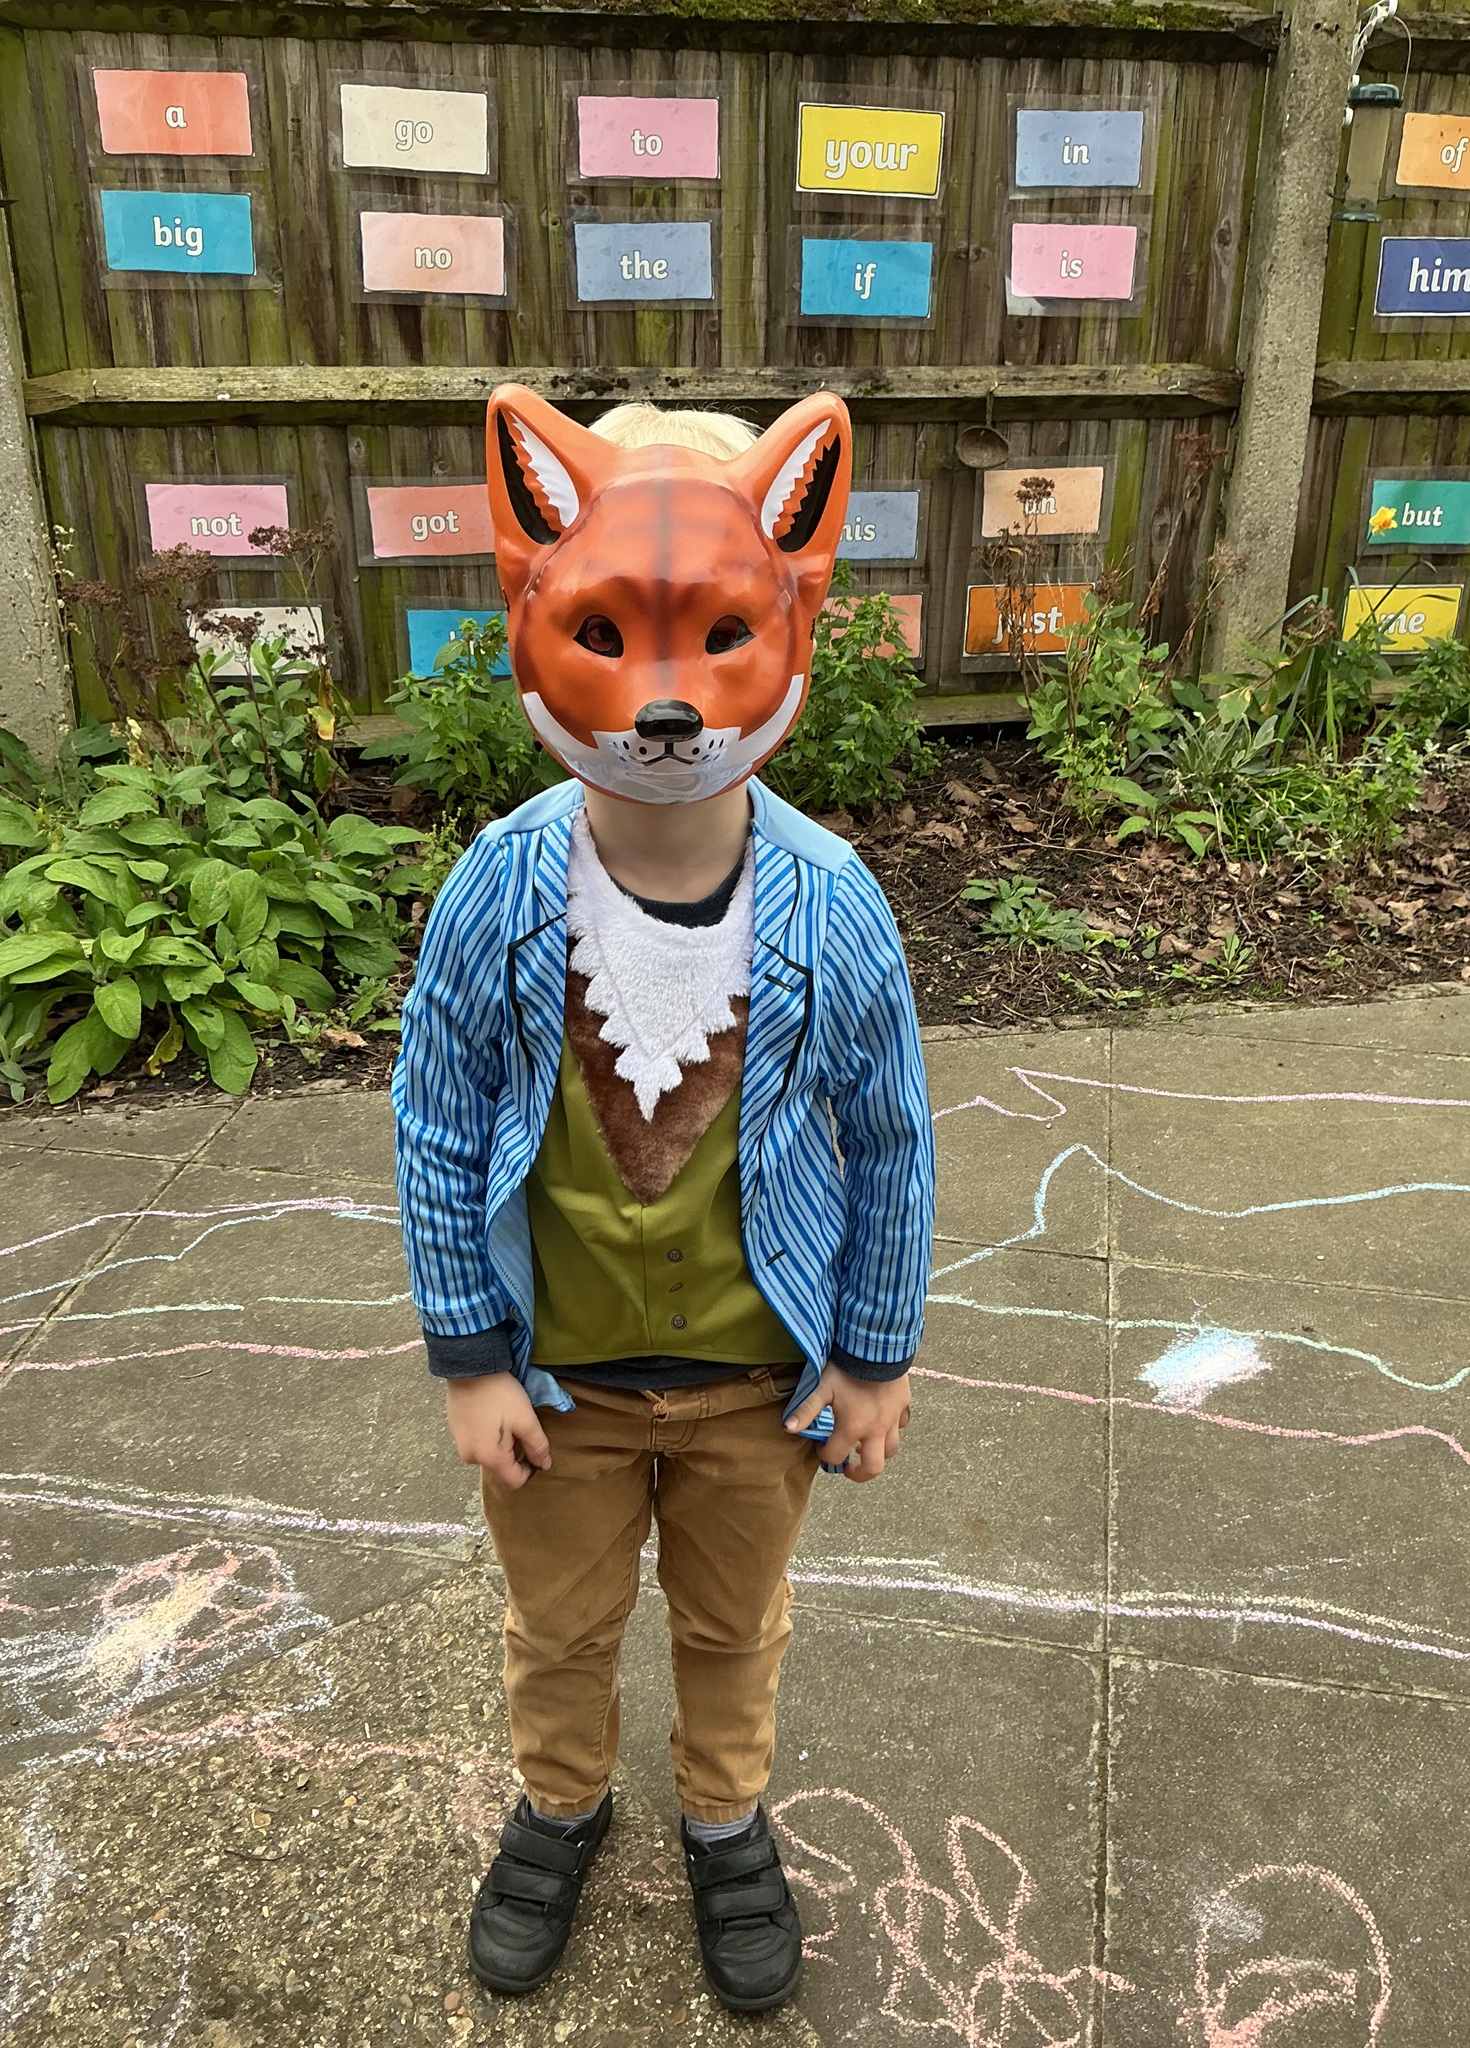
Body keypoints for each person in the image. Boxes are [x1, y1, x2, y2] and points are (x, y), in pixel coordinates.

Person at [393, 388, 935, 2014]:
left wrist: (875, 1352)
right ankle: (563, 1806)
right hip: (555, 1381)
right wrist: (468, 1355)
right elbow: (434, 1122)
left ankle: (723, 1820)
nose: (667, 702)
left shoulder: (831, 901)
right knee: (557, 1625)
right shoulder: (499, 888)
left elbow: (891, 1139)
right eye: (611, 634)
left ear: (788, 611)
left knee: (733, 1623)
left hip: (753, 1385)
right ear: (536, 605)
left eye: (714, 634)